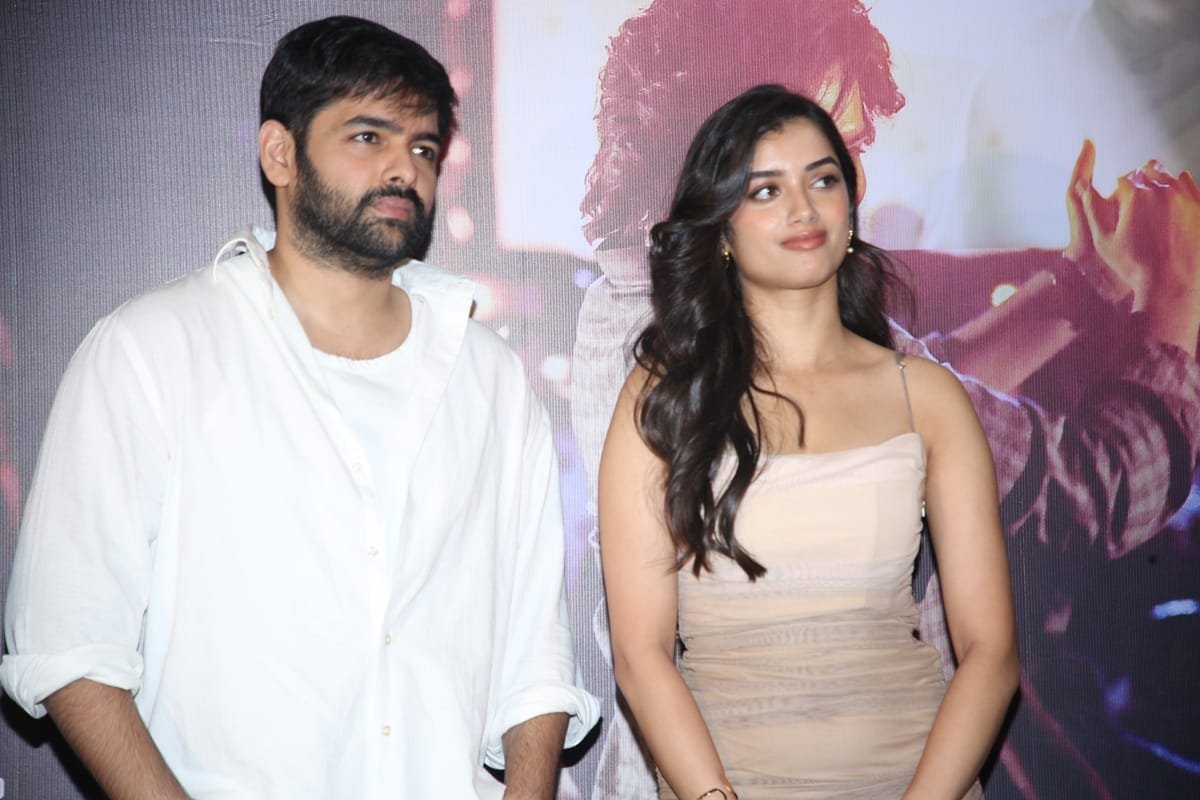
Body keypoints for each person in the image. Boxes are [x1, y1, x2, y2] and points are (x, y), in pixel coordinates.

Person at [571, 1, 1200, 795]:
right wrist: (1179, 309)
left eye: (841, 156)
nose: (846, 185)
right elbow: (1089, 488)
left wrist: (1085, 286)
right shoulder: (701, 350)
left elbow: (915, 392)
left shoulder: (640, 298)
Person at [0, 16, 598, 800]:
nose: (404, 169)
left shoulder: (490, 378)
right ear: (279, 153)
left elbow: (535, 649)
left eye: (423, 148)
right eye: (368, 137)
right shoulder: (152, 350)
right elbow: (68, 644)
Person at [598, 84, 1020, 799]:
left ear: (850, 205)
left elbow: (992, 653)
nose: (803, 209)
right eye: (766, 190)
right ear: (721, 230)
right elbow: (641, 656)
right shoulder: (665, 395)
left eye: (822, 180)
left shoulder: (927, 395)